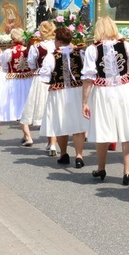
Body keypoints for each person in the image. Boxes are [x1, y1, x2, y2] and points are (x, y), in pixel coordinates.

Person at [82, 16, 129, 185]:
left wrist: (84, 102)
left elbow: (88, 78)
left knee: (103, 130)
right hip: (125, 89)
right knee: (128, 130)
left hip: (103, 91)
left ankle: (101, 168)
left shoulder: (92, 49)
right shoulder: (125, 45)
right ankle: (127, 172)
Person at [39, 27, 88, 167]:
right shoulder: (80, 53)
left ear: (59, 41)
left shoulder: (51, 56)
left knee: (61, 122)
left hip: (59, 92)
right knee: (78, 124)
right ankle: (79, 155)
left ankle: (64, 153)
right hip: (78, 90)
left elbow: (45, 76)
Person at [22, 21, 58, 153]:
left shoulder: (36, 47)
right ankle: (52, 143)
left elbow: (31, 65)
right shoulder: (56, 46)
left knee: (42, 109)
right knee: (51, 110)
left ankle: (50, 142)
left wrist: (36, 72)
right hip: (54, 79)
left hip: (40, 79)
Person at [0, 28, 34, 135]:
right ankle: (26, 133)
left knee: (17, 104)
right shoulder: (28, 50)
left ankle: (27, 135)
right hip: (27, 79)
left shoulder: (8, 52)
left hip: (14, 81)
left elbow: (3, 65)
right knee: (25, 104)